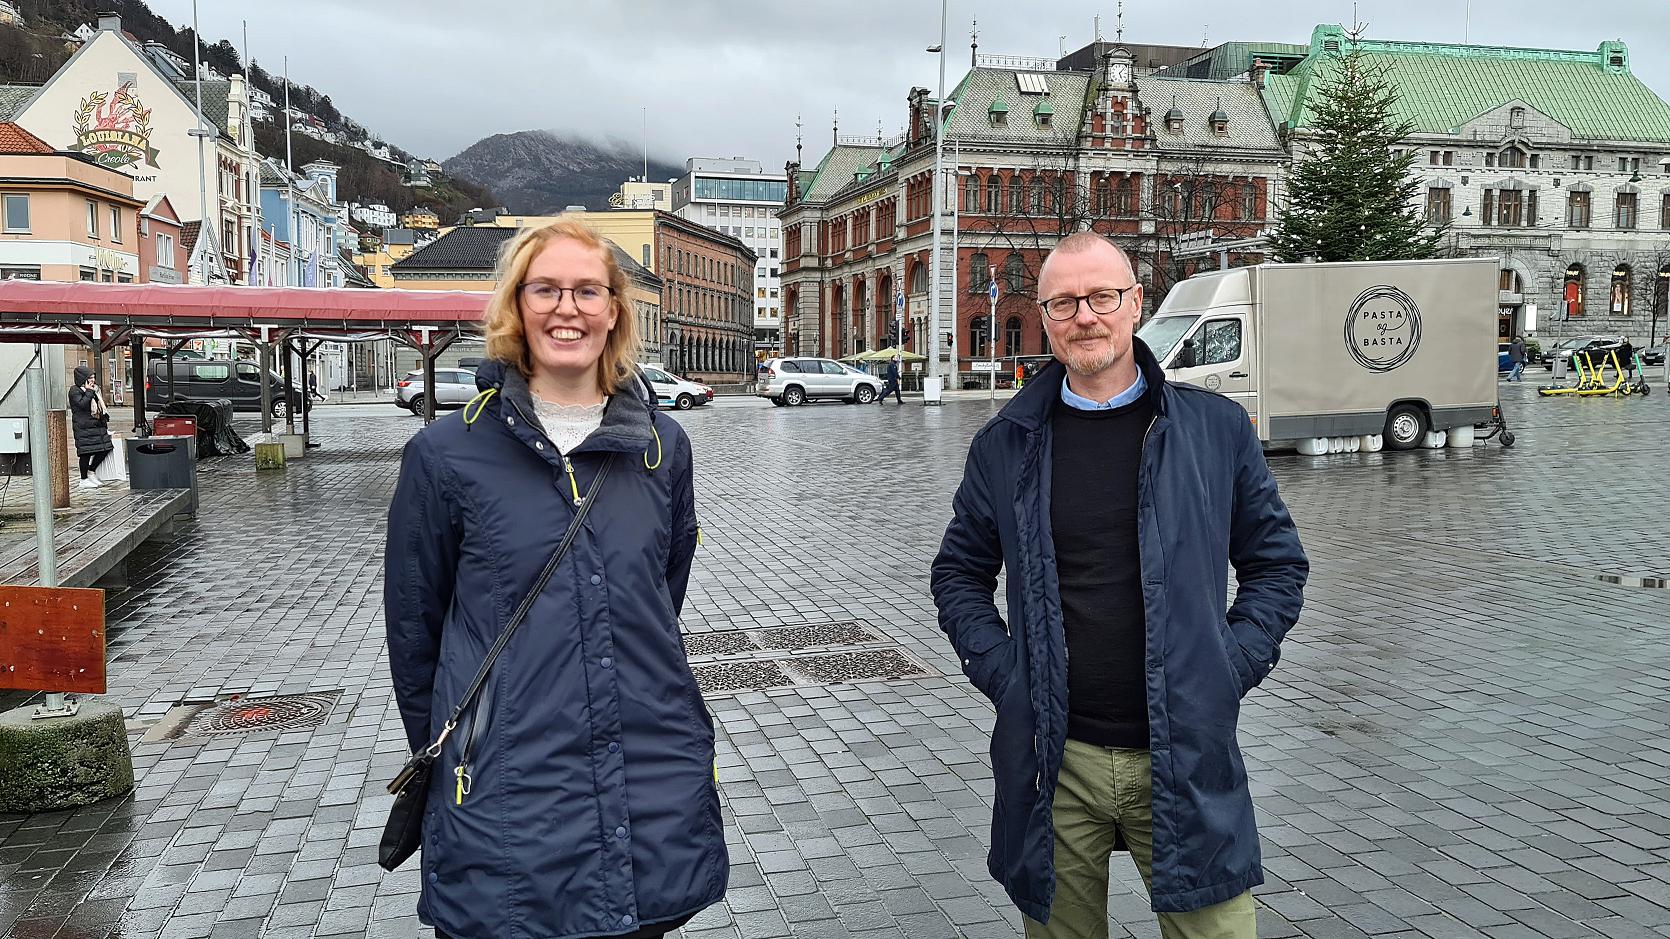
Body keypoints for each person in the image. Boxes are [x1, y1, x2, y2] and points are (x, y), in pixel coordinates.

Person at [931, 232, 1308, 939]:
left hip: (1186, 748)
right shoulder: (1007, 441)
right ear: (1045, 317)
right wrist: (1005, 672)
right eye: (1065, 302)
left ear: (1136, 304)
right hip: (1056, 757)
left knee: (1217, 928)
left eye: (1103, 296)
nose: (1086, 316)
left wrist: (1229, 665)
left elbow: (1277, 563)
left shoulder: (1212, 429)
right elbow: (958, 571)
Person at [385, 219, 726, 939]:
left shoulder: (663, 450)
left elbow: (658, 601)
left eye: (586, 291)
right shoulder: (446, 456)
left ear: (615, 311)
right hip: (511, 791)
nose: (566, 308)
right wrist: (471, 750)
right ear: (516, 305)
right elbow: (416, 636)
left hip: (647, 775)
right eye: (546, 289)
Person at [68, 365, 113, 489]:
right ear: (83, 378)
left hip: (96, 425)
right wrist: (88, 391)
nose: (92, 380)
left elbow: (99, 406)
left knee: (106, 448)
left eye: (93, 377)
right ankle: (83, 479)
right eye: (90, 378)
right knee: (85, 453)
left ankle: (91, 471)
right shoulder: (74, 390)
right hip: (83, 427)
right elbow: (81, 405)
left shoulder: (94, 389)